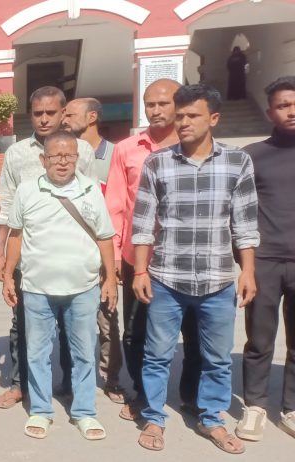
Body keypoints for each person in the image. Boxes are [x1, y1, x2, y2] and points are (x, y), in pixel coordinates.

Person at [132, 83, 258, 454]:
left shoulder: (237, 162)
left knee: (217, 358)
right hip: (167, 278)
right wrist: (140, 271)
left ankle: (212, 418)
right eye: (180, 115)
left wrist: (247, 271)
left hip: (218, 280)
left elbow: (245, 223)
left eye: (192, 115)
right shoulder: (158, 163)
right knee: (157, 355)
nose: (183, 122)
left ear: (213, 118)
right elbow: (143, 223)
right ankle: (153, 417)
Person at [1, 130, 117, 441]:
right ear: (44, 159)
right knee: (37, 353)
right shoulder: (27, 190)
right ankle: (41, 410)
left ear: (77, 158)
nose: (62, 162)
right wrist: (9, 275)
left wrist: (110, 279)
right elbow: (16, 235)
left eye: (69, 156)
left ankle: (85, 412)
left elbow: (105, 236)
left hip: (84, 287)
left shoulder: (91, 189)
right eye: (55, 156)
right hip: (37, 288)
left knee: (84, 353)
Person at [0, 86, 96, 410]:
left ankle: (70, 384)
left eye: (51, 112)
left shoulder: (82, 151)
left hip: (70, 254)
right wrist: (0, 253)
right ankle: (20, 384)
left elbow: (92, 202)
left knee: (70, 325)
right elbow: (6, 205)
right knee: (22, 323)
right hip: (27, 255)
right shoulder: (17, 153)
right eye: (38, 113)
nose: (44, 119)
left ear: (64, 113)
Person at [105, 79, 202, 421]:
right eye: (150, 104)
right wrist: (115, 256)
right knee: (137, 332)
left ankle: (191, 396)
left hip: (187, 257)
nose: (156, 110)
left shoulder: (195, 146)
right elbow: (116, 205)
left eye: (164, 103)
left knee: (193, 332)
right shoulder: (126, 149)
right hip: (138, 258)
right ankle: (143, 394)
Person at [237, 75, 295, 441]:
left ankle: (291, 407)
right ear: (270, 112)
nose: (291, 111)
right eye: (283, 105)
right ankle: (255, 406)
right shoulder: (253, 156)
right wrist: (246, 266)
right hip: (266, 262)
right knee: (259, 340)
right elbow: (239, 213)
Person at [61, 97, 125, 404]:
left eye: (70, 114)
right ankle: (74, 379)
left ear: (92, 117)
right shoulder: (63, 153)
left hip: (104, 249)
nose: (63, 119)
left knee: (106, 318)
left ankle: (112, 378)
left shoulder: (115, 155)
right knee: (72, 321)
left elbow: (122, 206)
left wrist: (116, 255)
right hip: (71, 251)